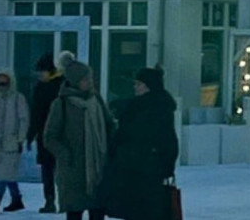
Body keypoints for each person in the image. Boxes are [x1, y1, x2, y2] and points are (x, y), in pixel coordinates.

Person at [102, 68, 179, 220]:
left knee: (145, 210)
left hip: (147, 168)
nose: (135, 87)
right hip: (133, 167)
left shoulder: (158, 108)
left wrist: (165, 165)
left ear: (149, 85)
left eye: (139, 84)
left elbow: (167, 140)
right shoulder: (135, 106)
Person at [44, 55, 115, 220]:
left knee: (97, 212)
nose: (89, 82)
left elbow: (109, 124)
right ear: (75, 81)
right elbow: (50, 137)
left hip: (98, 168)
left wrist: (111, 148)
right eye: (85, 79)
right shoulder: (61, 104)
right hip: (73, 171)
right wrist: (65, 154)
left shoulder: (96, 100)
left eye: (90, 78)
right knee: (75, 212)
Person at [0, 69, 29, 214]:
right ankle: (16, 199)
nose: (1, 87)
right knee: (5, 173)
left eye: (4, 84)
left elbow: (24, 119)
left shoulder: (18, 98)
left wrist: (20, 138)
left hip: (12, 142)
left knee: (5, 174)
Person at [27, 52, 65, 213]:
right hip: (45, 134)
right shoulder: (55, 85)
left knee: (55, 169)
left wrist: (32, 133)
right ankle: (50, 200)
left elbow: (37, 113)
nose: (39, 75)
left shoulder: (59, 86)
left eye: (41, 72)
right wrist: (30, 135)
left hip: (56, 133)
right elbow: (35, 113)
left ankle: (58, 200)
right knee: (49, 169)